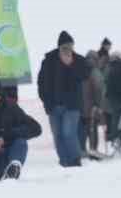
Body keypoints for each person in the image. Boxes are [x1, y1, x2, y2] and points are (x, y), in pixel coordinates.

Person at [37, 31, 87, 167]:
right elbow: (41, 82)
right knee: (58, 135)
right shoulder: (48, 61)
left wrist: (71, 64)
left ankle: (75, 159)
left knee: (68, 132)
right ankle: (64, 161)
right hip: (53, 105)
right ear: (59, 47)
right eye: (65, 46)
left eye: (70, 46)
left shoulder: (79, 60)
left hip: (72, 105)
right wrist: (45, 100)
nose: (68, 49)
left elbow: (84, 76)